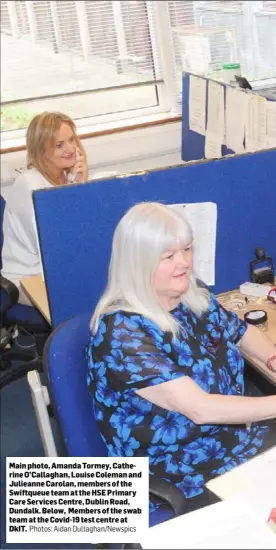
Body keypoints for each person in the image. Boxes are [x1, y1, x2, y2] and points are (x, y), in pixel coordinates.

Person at [86, 201, 276, 515]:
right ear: (138, 264)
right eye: (169, 256)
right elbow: (201, 409)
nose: (184, 262)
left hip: (232, 434)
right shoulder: (120, 334)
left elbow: (241, 332)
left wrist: (272, 359)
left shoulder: (189, 295)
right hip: (177, 468)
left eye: (186, 249)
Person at [1, 111, 88, 305]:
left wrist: (80, 187)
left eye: (72, 140)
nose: (71, 149)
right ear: (41, 151)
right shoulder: (29, 185)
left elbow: (82, 232)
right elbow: (54, 246)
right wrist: (76, 192)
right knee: (87, 299)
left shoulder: (67, 178)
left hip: (57, 271)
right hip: (28, 278)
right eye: (59, 145)